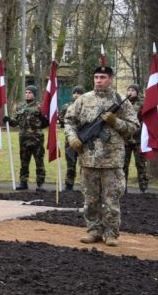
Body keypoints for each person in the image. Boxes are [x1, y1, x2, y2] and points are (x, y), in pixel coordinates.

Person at [65, 66, 139, 246]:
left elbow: (133, 128)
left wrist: (116, 122)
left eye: (103, 77)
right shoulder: (83, 99)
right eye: (96, 77)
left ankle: (111, 234)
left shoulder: (122, 101)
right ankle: (93, 231)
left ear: (111, 79)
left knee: (111, 200)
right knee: (90, 199)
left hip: (112, 161)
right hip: (88, 159)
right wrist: (73, 138)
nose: (98, 80)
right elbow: (69, 120)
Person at [4, 85, 49, 191]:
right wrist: (8, 120)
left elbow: (46, 122)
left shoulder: (40, 107)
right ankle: (23, 182)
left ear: (34, 94)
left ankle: (40, 184)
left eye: (30, 93)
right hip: (23, 139)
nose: (27, 94)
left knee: (39, 162)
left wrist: (36, 129)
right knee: (24, 162)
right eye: (26, 92)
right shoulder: (20, 107)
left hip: (36, 139)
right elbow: (15, 122)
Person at [123, 84, 149, 193]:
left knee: (141, 164)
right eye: (129, 90)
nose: (130, 92)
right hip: (126, 139)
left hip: (139, 139)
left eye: (133, 90)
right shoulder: (123, 103)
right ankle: (123, 187)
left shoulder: (144, 103)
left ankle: (143, 188)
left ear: (137, 92)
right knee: (123, 164)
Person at [59, 86, 84, 191]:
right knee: (70, 162)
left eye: (79, 93)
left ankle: (85, 185)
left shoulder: (87, 106)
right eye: (74, 92)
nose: (76, 94)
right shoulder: (66, 106)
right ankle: (69, 184)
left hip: (84, 139)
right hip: (70, 139)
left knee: (84, 164)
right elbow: (62, 119)